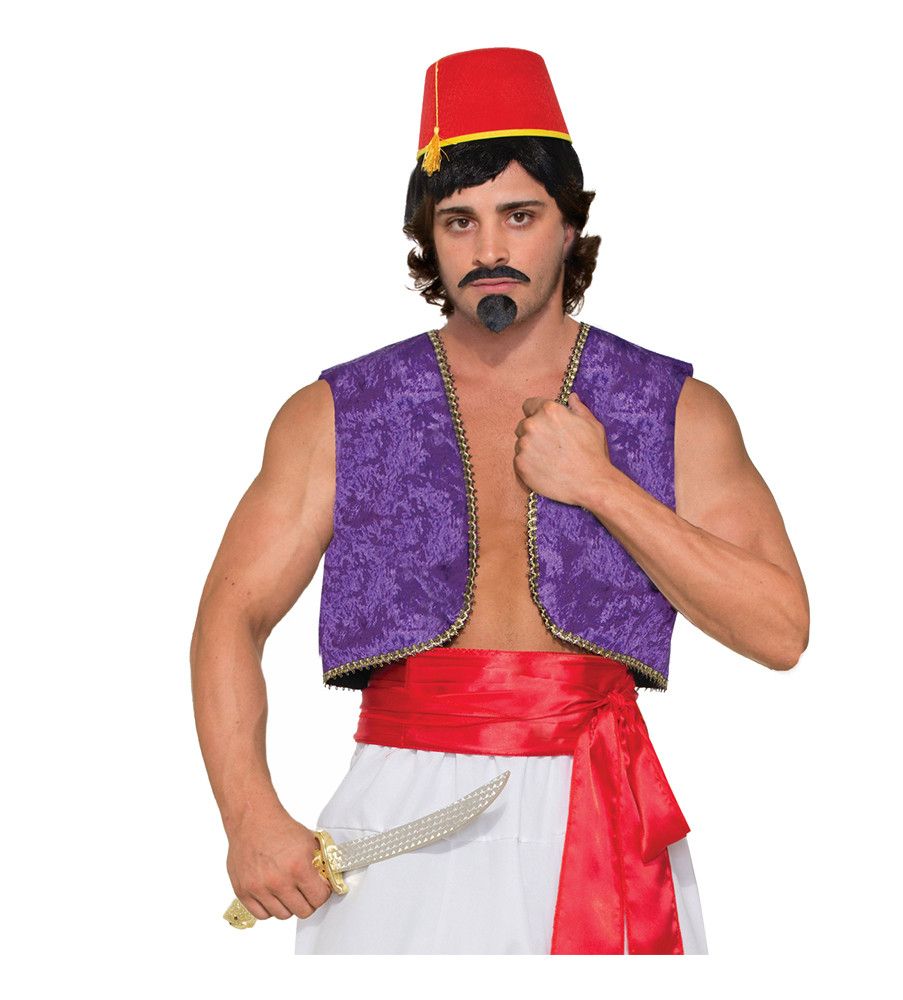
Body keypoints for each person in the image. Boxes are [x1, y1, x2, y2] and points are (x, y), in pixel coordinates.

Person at [190, 46, 809, 955]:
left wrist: (601, 485)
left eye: (520, 216)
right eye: (459, 221)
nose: (488, 250)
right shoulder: (337, 414)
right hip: (398, 815)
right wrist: (248, 815)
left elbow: (781, 629)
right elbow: (230, 615)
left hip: (603, 803)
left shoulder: (676, 410)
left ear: (569, 225)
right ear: (428, 237)